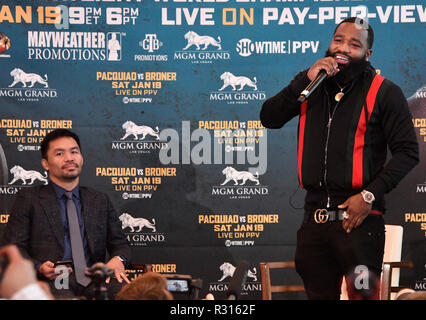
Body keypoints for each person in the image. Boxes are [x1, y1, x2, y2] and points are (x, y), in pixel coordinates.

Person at [260, 17, 419, 299]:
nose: (343, 48)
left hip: (359, 224)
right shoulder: (311, 84)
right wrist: (303, 80)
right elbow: (269, 117)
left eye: (354, 44)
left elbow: (408, 152)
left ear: (368, 54)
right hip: (314, 223)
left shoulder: (385, 92)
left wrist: (368, 196)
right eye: (338, 40)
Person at [1, 129, 131, 299]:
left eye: (74, 152)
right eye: (59, 153)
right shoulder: (29, 198)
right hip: (52, 281)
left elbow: (120, 244)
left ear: (81, 158)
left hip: (95, 279)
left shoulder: (99, 199)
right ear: (46, 164)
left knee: (133, 294)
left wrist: (118, 260)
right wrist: (39, 267)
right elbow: (14, 247)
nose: (69, 158)